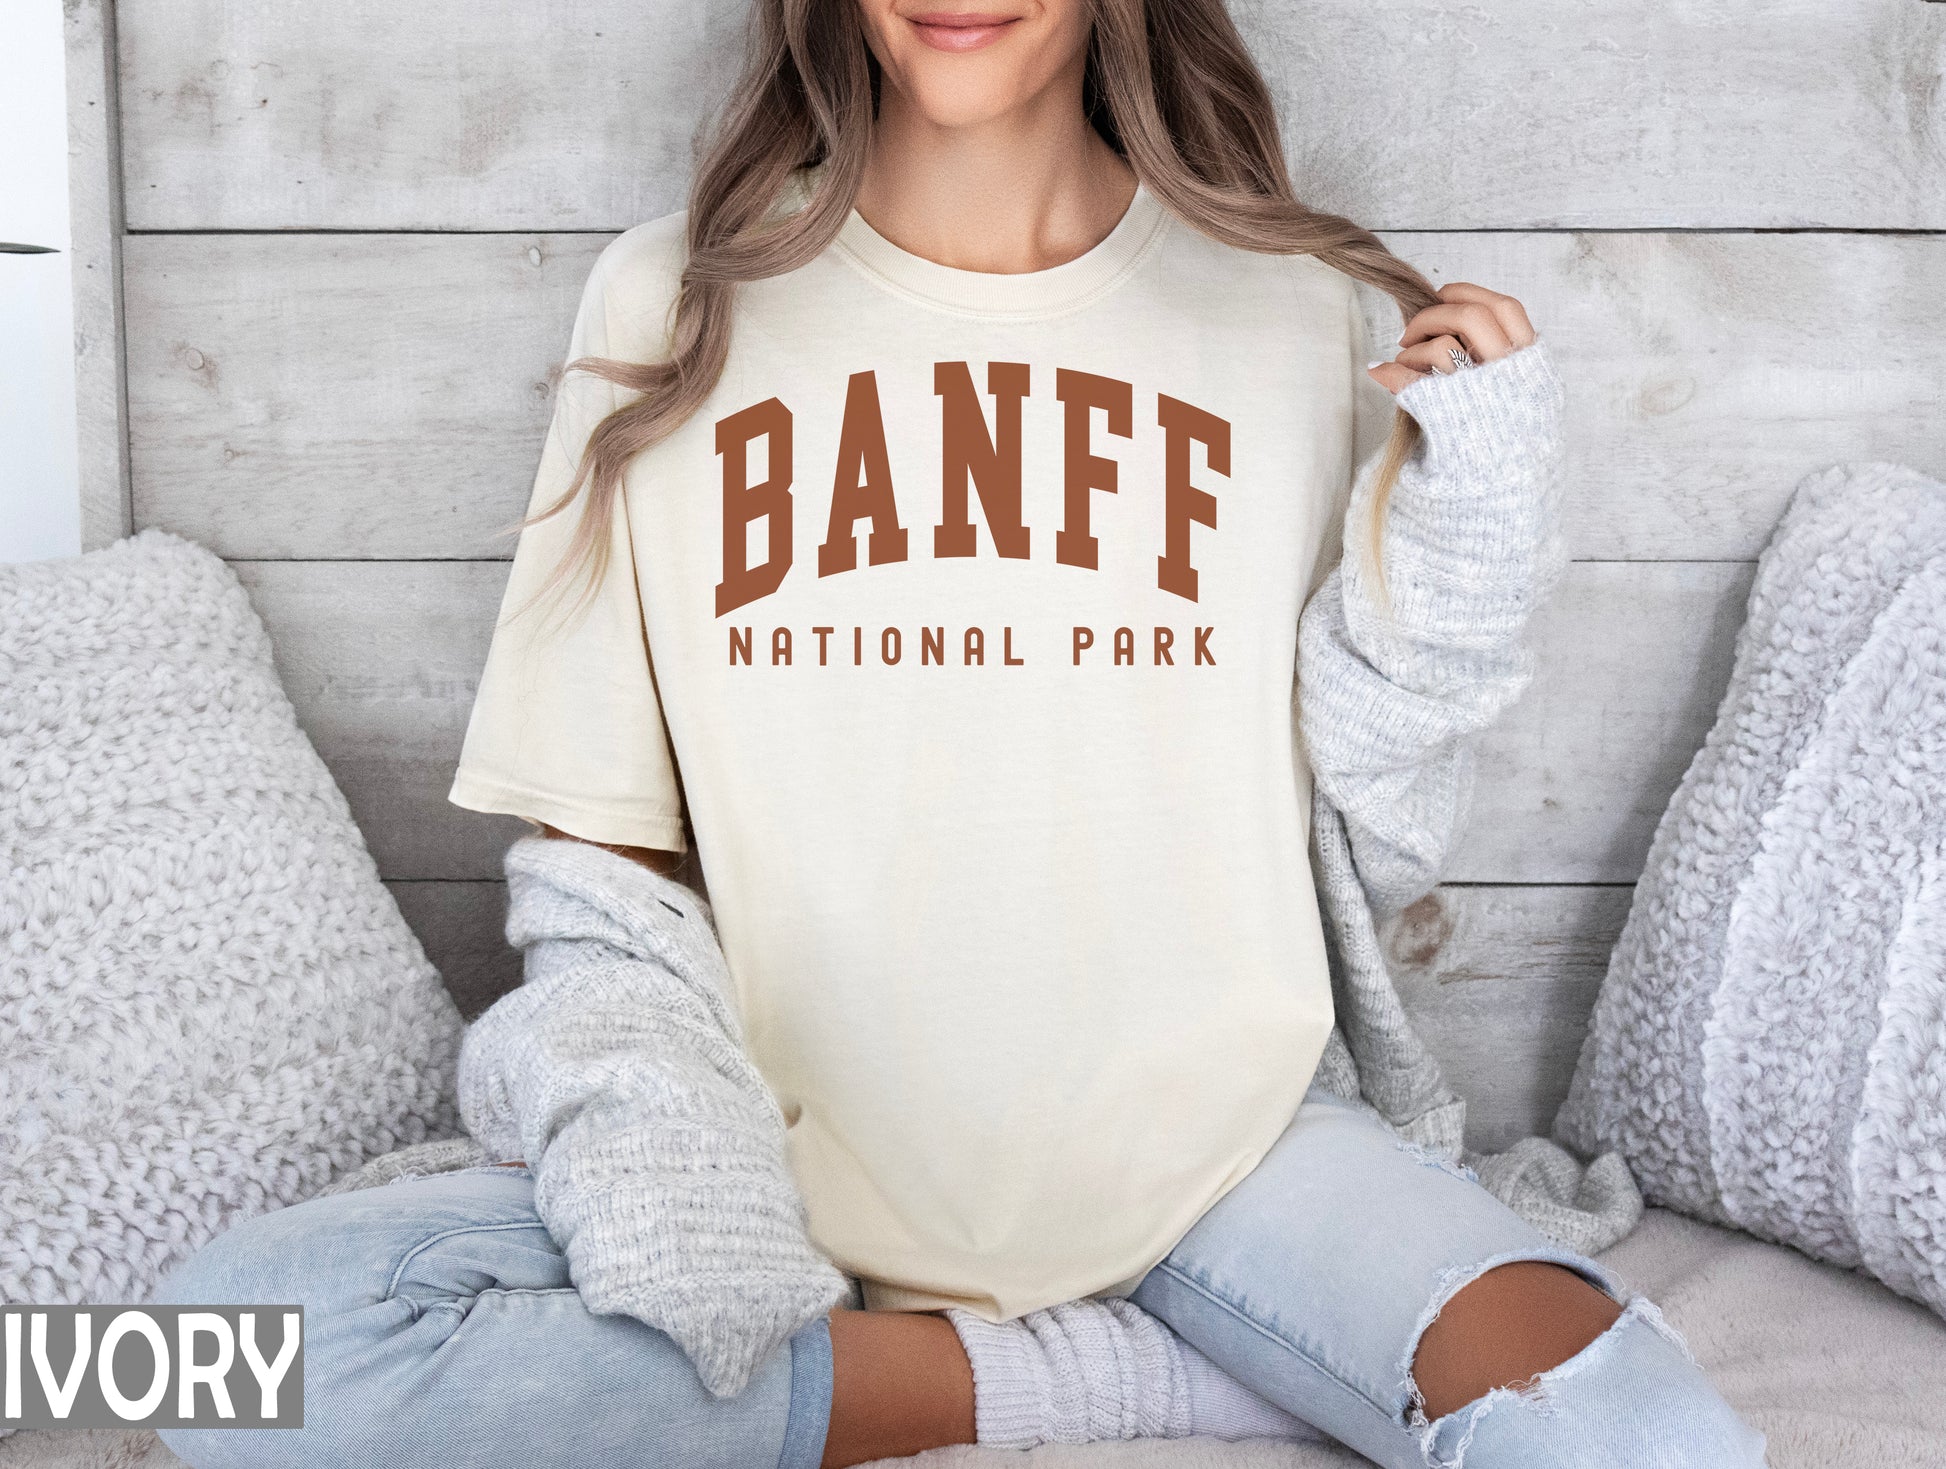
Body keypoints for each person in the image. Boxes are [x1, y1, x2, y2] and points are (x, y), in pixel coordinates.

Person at [155, 2, 1770, 1466]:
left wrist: (1474, 549)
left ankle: (1098, 1343)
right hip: (777, 1166)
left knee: (1645, 1439)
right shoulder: (673, 301)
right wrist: (661, 1167)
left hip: (1224, 1163)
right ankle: (1108, 1372)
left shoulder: (1304, 309)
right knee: (172, 1366)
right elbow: (598, 849)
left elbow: (1375, 797)